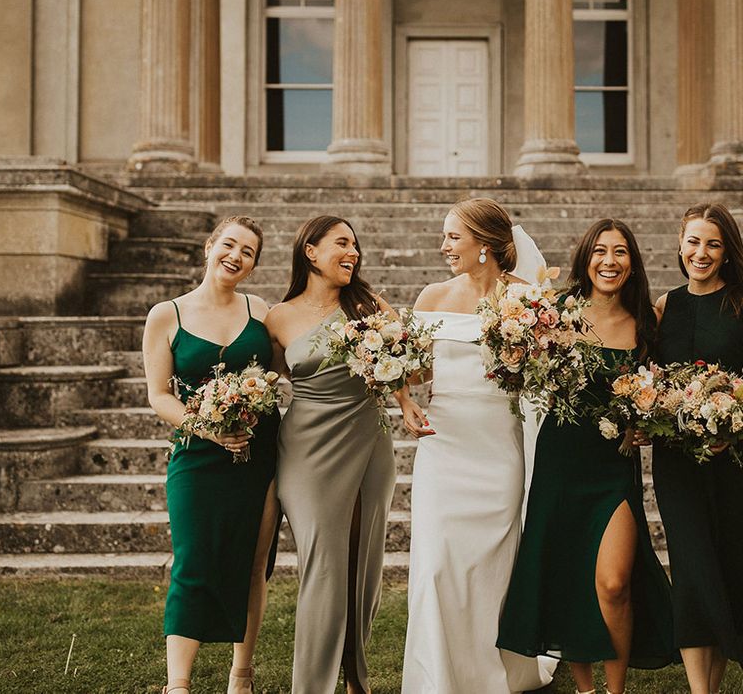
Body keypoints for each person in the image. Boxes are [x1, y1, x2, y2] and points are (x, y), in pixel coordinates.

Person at [497, 218, 675, 694]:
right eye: (600, 251)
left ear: (632, 263)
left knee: (614, 583)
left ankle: (614, 691)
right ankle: (585, 689)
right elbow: (513, 364)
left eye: (620, 253)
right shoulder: (557, 311)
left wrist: (647, 423)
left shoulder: (647, 322)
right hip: (560, 459)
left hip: (613, 467)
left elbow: (661, 390)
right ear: (586, 258)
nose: (609, 261)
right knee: (569, 575)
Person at [399, 197, 555, 693]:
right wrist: (402, 395)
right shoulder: (432, 297)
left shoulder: (528, 299)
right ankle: (437, 678)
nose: (443, 246)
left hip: (498, 445)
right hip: (445, 444)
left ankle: (494, 672)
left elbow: (544, 375)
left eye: (452, 236)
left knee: (494, 564)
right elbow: (417, 371)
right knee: (436, 565)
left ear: (484, 244)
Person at [142, 216, 280, 694]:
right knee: (193, 560)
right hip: (196, 458)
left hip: (258, 457)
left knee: (253, 563)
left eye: (248, 252)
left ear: (254, 265)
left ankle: (240, 675)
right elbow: (159, 395)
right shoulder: (167, 314)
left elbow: (289, 366)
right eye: (229, 244)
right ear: (209, 246)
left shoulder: (260, 310)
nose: (236, 256)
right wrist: (210, 429)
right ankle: (177, 684)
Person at [265, 215, 396, 694]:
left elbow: (405, 367)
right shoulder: (277, 317)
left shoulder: (369, 306)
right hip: (306, 447)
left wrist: (407, 398)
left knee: (363, 560)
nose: (353, 252)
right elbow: (267, 380)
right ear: (311, 251)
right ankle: (313, 685)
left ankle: (356, 677)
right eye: (342, 243)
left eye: (356, 246)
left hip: (368, 438)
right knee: (323, 561)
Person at [653, 203, 743, 694]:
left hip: (733, 463)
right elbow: (642, 378)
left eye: (712, 243)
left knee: (726, 566)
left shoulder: (740, 302)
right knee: (689, 569)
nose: (701, 253)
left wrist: (734, 424)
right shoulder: (665, 306)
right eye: (693, 242)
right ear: (680, 245)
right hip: (678, 466)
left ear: (726, 250)